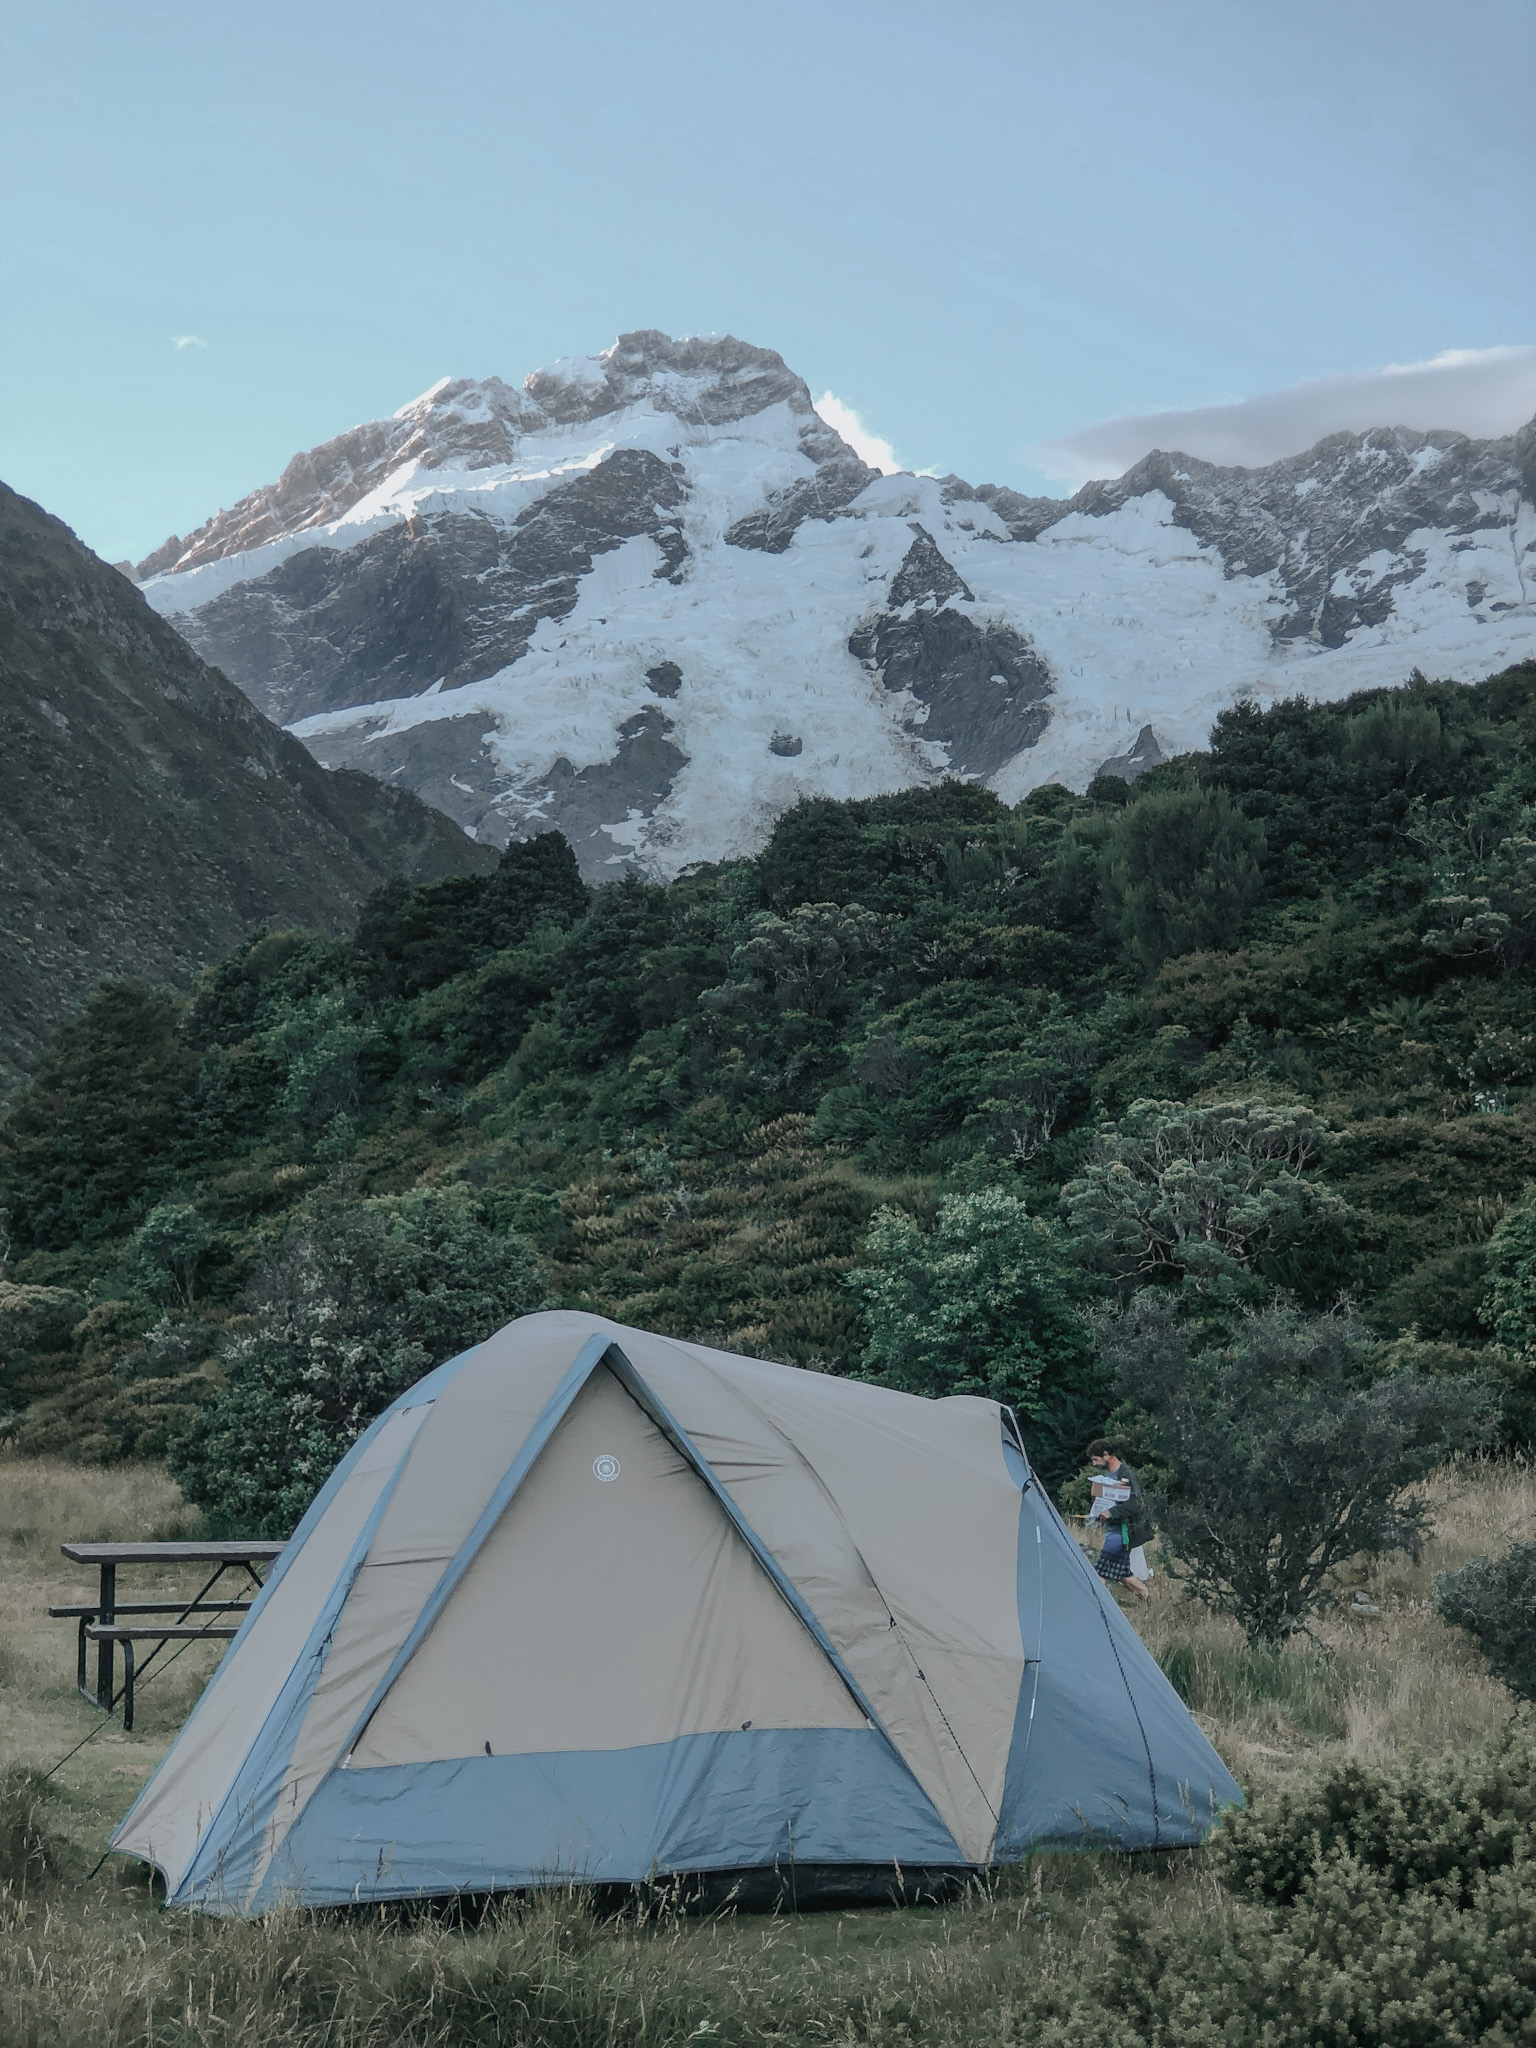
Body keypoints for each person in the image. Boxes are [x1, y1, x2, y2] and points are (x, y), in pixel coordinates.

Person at [1086, 1438, 1154, 1600]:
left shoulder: (1126, 1474)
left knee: (1099, 1574)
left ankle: (1102, 1606)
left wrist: (1111, 1512)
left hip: (1122, 1533)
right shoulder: (1109, 1476)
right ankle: (1147, 1598)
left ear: (1106, 1455)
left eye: (1096, 1459)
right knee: (1123, 1574)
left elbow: (1136, 1503)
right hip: (1113, 1530)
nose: (1095, 1464)